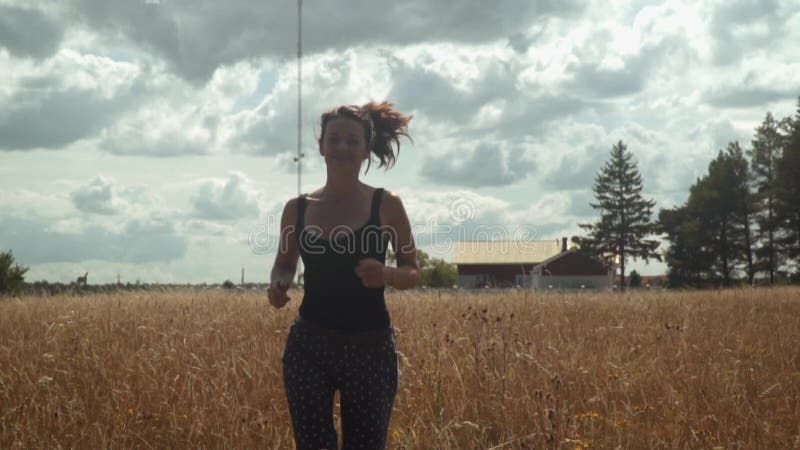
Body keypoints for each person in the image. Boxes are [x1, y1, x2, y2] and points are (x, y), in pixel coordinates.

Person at [268, 101, 420, 449]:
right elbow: (284, 262)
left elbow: (413, 271)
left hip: (371, 347)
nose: (342, 148)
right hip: (309, 346)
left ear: (366, 150)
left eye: (352, 141)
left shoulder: (387, 204)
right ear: (320, 146)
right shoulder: (297, 209)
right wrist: (278, 284)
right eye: (334, 139)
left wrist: (387, 275)